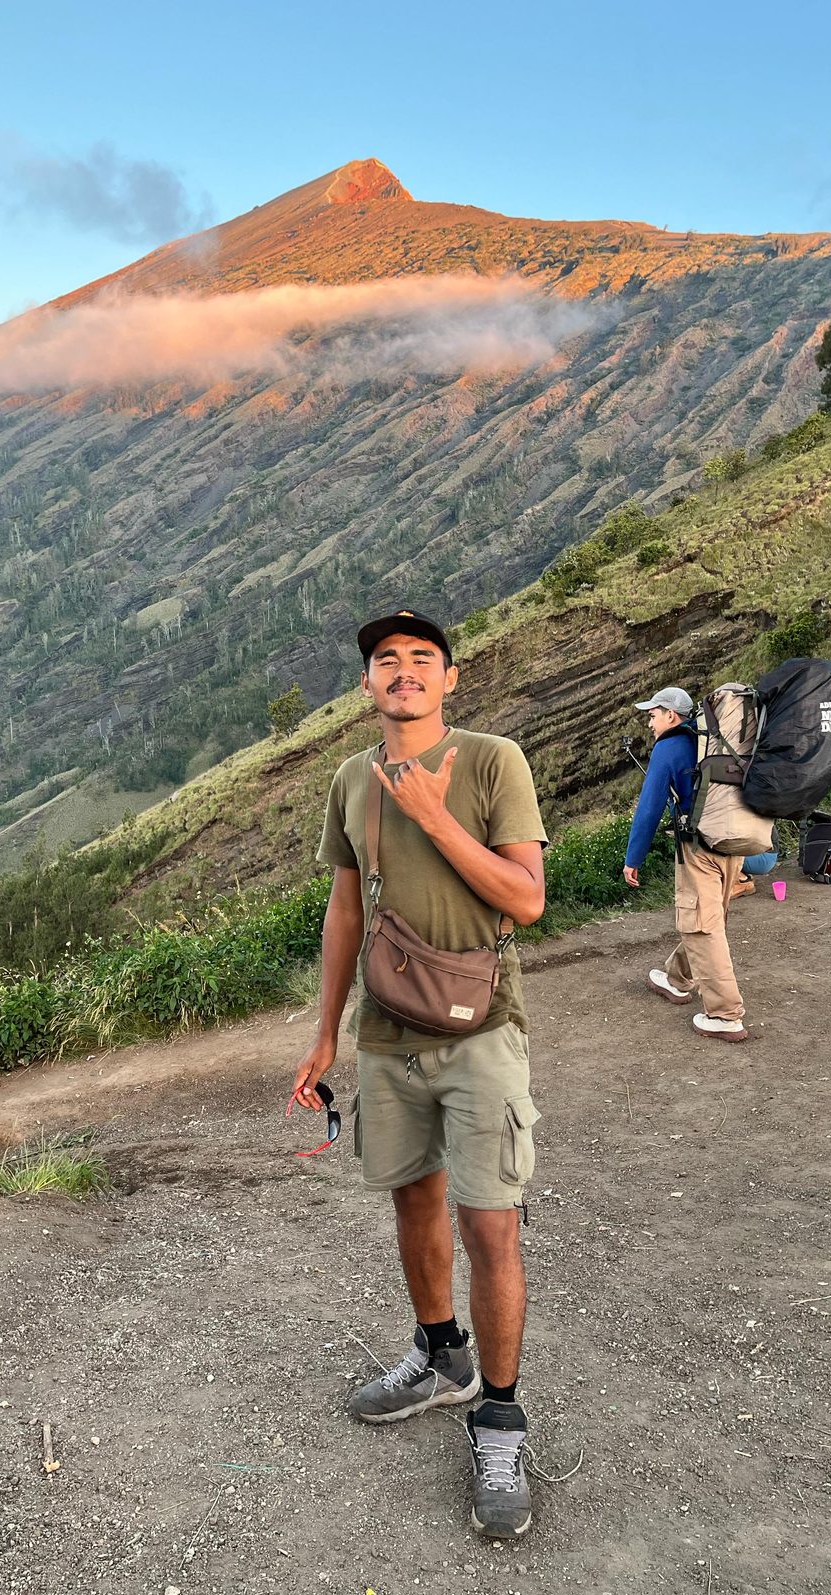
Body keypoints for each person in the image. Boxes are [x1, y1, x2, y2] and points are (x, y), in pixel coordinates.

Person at [290, 608, 548, 1539]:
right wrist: (324, 1035)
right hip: (386, 1032)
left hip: (482, 1026)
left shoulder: (491, 762)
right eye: (386, 661)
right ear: (368, 686)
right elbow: (346, 913)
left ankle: (501, 1416)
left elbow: (526, 896)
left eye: (421, 660)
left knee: (491, 1224)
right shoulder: (352, 781)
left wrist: (434, 814)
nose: (402, 671)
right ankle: (443, 1357)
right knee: (412, 1198)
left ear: (449, 680)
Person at [622, 686, 749, 1043]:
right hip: (732, 843)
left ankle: (725, 1014)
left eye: (652, 714)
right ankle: (677, 979)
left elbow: (649, 807)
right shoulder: (713, 740)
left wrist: (633, 858)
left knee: (701, 926)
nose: (650, 722)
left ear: (671, 716)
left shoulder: (670, 746)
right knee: (709, 916)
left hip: (699, 849)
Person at [733, 824, 780, 899]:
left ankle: (743, 881)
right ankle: (741, 876)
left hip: (763, 858)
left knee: (718, 853)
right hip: (767, 855)